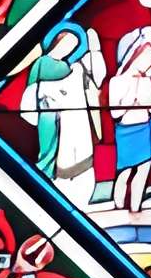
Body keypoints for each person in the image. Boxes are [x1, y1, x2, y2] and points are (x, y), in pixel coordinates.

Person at [18, 22, 105, 195]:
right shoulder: (41, 63)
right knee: (50, 151)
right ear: (57, 41)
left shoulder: (70, 67)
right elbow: (32, 92)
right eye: (66, 42)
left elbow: (95, 80)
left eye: (72, 45)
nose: (68, 48)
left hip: (71, 117)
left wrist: (95, 50)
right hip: (49, 117)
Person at [105, 25, 151, 211]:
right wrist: (131, 96)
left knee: (142, 173)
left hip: (146, 129)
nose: (150, 62)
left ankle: (135, 208)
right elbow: (115, 113)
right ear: (134, 54)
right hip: (126, 132)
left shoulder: (147, 81)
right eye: (148, 56)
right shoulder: (117, 81)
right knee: (124, 173)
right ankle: (118, 207)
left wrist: (145, 94)